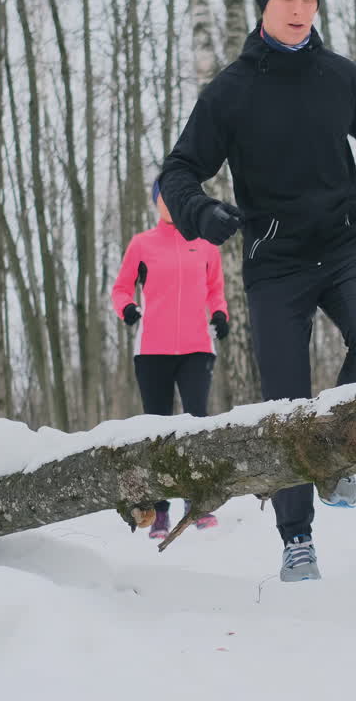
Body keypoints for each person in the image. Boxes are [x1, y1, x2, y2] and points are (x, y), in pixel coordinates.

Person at [158, 0, 356, 582]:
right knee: (287, 399)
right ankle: (296, 537)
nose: (300, 11)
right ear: (263, 5)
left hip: (343, 244)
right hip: (276, 265)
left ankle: (337, 453)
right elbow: (179, 170)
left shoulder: (340, 77)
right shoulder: (231, 91)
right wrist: (203, 213)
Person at [112, 178, 231, 540]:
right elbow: (120, 287)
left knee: (197, 423)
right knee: (157, 430)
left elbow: (216, 291)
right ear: (156, 203)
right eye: (165, 197)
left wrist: (221, 314)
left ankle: (198, 503)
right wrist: (128, 308)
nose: (173, 203)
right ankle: (160, 511)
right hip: (152, 351)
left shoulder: (207, 244)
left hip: (197, 348)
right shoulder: (142, 244)